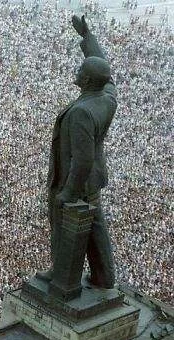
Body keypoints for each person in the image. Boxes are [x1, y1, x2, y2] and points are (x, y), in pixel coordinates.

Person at [37, 15, 118, 290]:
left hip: (76, 182)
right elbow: (107, 71)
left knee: (65, 228)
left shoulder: (82, 112)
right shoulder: (106, 97)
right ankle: (104, 276)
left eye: (81, 70)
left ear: (86, 79)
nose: (78, 71)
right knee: (95, 227)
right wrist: (87, 37)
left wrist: (67, 192)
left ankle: (62, 279)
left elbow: (81, 159)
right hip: (92, 181)